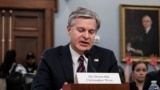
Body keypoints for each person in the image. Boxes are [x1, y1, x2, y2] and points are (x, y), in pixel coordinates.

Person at [31, 7, 119, 90]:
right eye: (81, 30)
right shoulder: (51, 57)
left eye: (91, 32)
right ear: (69, 30)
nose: (86, 36)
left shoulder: (107, 57)